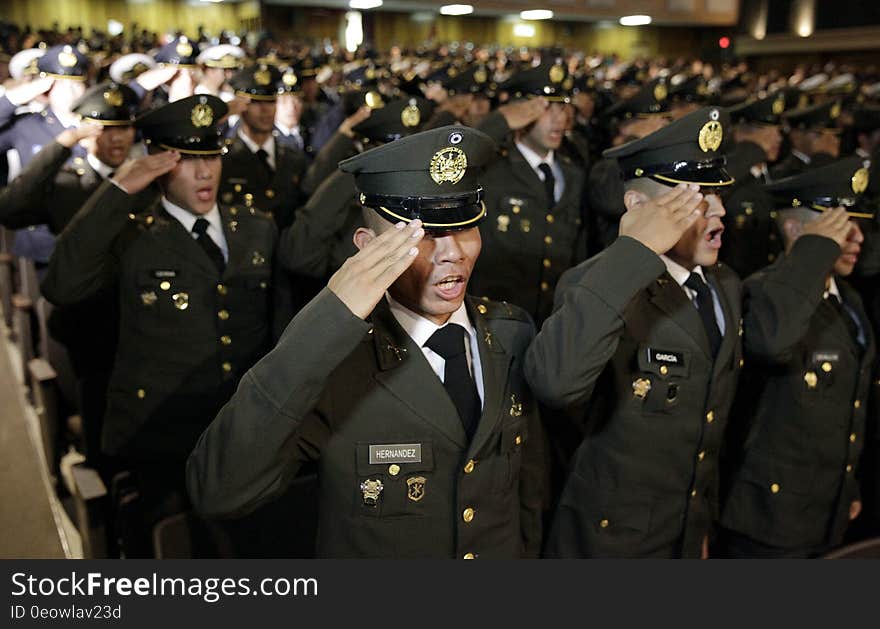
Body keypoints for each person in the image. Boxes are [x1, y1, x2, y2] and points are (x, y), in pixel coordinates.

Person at [187, 125, 545, 559]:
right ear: (368, 248)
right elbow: (219, 489)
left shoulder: (510, 332)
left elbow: (528, 494)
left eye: (465, 227)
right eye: (426, 234)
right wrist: (330, 317)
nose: (454, 252)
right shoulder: (336, 359)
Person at [41, 94, 279, 556]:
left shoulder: (255, 227)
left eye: (211, 157)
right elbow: (62, 285)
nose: (205, 172)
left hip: (243, 429)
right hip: (163, 436)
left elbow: (277, 328)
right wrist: (119, 190)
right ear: (157, 163)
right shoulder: (132, 233)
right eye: (187, 160)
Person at [525, 107, 743, 558]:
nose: (718, 211)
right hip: (612, 541)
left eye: (718, 194)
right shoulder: (596, 284)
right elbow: (556, 383)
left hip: (684, 532)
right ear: (639, 207)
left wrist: (700, 523)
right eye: (696, 198)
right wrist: (634, 252)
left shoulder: (726, 285)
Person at [718, 156, 877, 557]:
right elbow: (773, 342)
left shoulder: (849, 299)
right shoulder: (763, 292)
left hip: (825, 510)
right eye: (842, 227)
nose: (857, 238)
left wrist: (847, 486)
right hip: (769, 518)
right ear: (794, 228)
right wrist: (813, 255)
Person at [470, 60, 587, 327]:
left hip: (554, 321)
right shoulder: (491, 168)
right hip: (498, 322)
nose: (560, 118)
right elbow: (450, 159)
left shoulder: (573, 171)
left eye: (563, 106)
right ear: (521, 111)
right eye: (547, 108)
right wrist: (500, 121)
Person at [219, 63, 307, 230]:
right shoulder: (225, 161)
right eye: (256, 103)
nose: (265, 110)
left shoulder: (293, 158)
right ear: (242, 106)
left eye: (271, 101)